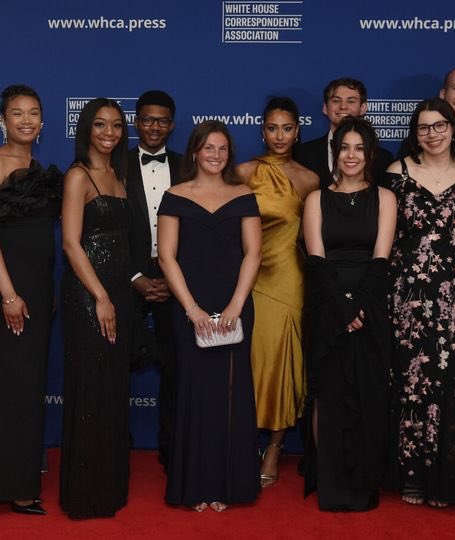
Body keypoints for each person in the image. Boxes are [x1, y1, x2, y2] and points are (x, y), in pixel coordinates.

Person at [384, 97, 455, 507]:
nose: (433, 134)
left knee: (449, 380)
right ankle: (410, 474)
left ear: (454, 128)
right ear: (415, 133)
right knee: (409, 377)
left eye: (440, 125)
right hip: (407, 293)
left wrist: (453, 270)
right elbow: (387, 233)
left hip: (453, 294)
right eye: (424, 127)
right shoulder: (397, 172)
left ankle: (444, 475)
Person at [158, 120, 261, 512]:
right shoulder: (175, 195)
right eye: (208, 148)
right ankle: (195, 486)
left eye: (222, 149)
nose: (215, 155)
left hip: (235, 305)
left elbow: (253, 253)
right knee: (194, 394)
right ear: (195, 152)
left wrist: (236, 304)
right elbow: (167, 256)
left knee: (230, 397)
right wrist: (191, 308)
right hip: (189, 307)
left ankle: (229, 485)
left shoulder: (244, 195)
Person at [0, 85, 61, 516]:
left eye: (33, 113)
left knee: (28, 386)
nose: (26, 120)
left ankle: (22, 473)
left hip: (39, 288)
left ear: (42, 122)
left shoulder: (35, 165)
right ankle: (13, 485)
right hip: (9, 290)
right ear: (2, 120)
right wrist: (9, 294)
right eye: (16, 113)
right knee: (11, 386)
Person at [300, 117, 396, 511]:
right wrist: (341, 308)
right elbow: (316, 260)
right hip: (326, 304)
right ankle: (331, 480)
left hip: (370, 304)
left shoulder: (385, 198)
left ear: (369, 154)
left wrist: (358, 307)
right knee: (329, 393)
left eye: (359, 148)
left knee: (367, 393)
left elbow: (381, 259)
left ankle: (362, 480)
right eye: (344, 148)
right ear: (334, 153)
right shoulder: (315, 199)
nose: (351, 155)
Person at [59, 98, 134, 519]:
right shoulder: (79, 176)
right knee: (90, 387)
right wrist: (101, 297)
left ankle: (108, 485)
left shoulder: (117, 175)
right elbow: (71, 243)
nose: (109, 132)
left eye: (117, 126)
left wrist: (117, 294)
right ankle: (85, 494)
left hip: (118, 293)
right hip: (89, 297)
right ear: (87, 128)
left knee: (111, 390)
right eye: (101, 125)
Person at [236, 97, 317, 488]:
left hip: (287, 278)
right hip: (248, 277)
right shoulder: (244, 172)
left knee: (283, 363)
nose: (280, 135)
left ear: (298, 131)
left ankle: (275, 446)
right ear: (262, 130)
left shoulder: (308, 179)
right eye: (272, 127)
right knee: (250, 362)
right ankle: (241, 439)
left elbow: (310, 236)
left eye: (287, 128)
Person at [125, 90, 183, 469]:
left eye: (162, 120)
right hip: (125, 276)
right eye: (147, 119)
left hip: (176, 277)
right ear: (136, 122)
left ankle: (173, 450)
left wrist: (173, 276)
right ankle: (114, 448)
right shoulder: (114, 165)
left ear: (172, 125)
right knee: (114, 365)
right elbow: (103, 231)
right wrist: (134, 276)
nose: (155, 127)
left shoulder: (188, 166)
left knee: (177, 369)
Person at [296, 78, 394, 189]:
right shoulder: (303, 154)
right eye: (336, 101)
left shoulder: (383, 158)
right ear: (325, 108)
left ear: (363, 108)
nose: (343, 106)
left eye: (351, 101)